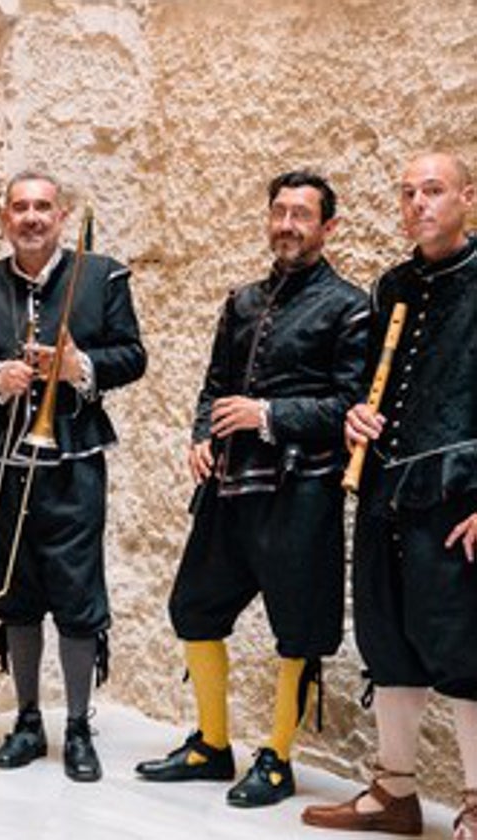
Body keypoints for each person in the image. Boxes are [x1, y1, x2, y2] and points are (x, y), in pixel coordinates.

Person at [134, 171, 368, 807]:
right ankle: (212, 744)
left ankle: (278, 758)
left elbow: (350, 405)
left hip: (302, 493)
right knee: (194, 609)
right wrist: (202, 435)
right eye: (279, 212)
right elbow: (214, 386)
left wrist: (266, 415)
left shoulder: (350, 306)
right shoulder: (240, 302)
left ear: (328, 228)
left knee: (299, 629)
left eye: (302, 215)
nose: (287, 225)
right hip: (230, 488)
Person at [0, 170, 146, 782]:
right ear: (4, 218)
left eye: (43, 208)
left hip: (74, 458)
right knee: (15, 588)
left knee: (78, 593)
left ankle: (78, 725)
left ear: (61, 216)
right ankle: (27, 721)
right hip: (2, 456)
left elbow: (131, 355)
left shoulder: (102, 274)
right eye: (20, 208)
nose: (32, 217)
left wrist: (79, 365)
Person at [302, 152, 477, 839]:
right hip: (385, 487)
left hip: (458, 496)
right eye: (407, 193)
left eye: (432, 191)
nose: (417, 203)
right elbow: (373, 381)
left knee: (464, 648)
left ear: (467, 196)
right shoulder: (394, 285)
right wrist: (353, 419)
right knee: (388, 638)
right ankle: (394, 794)